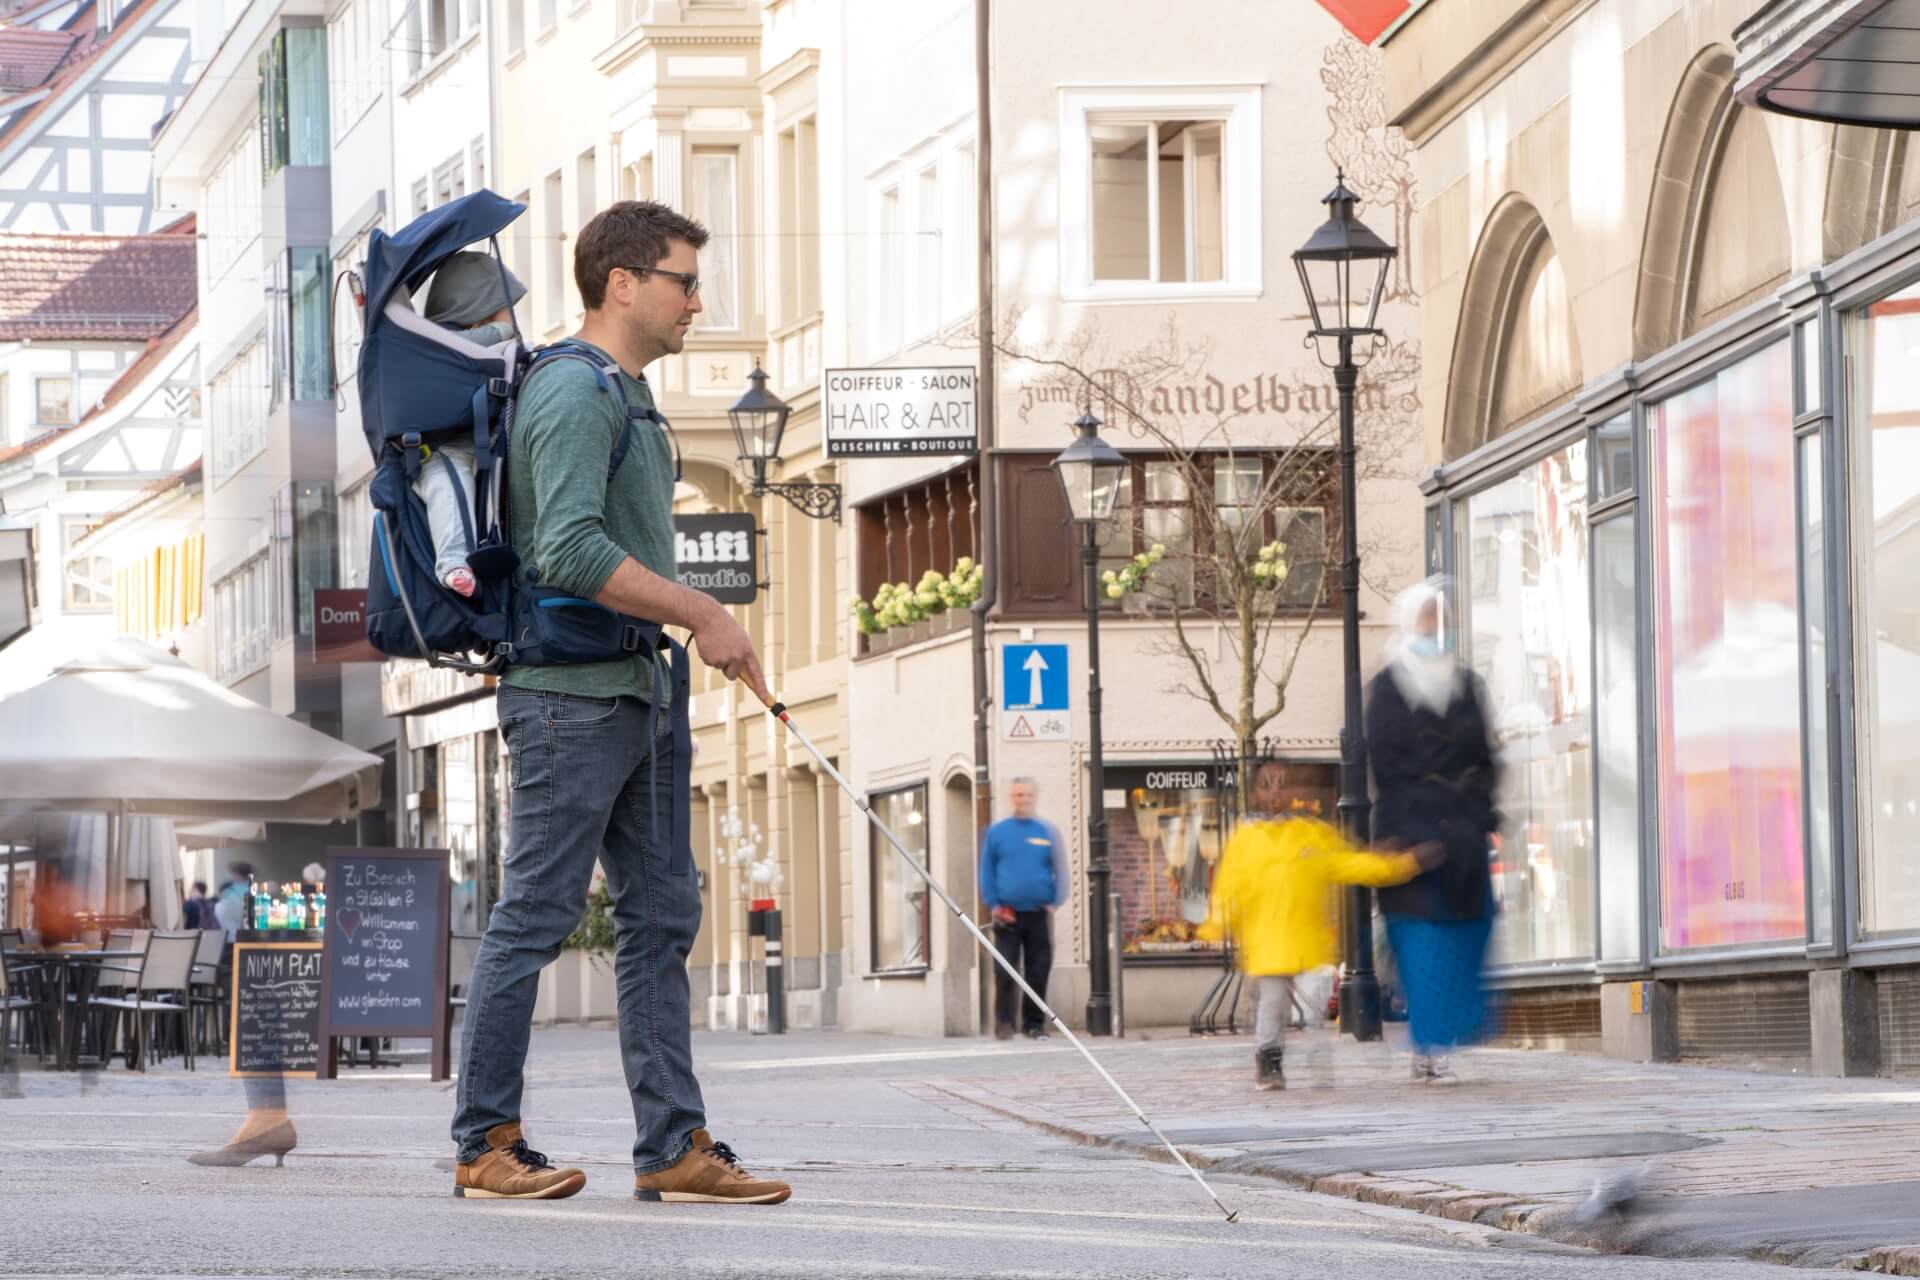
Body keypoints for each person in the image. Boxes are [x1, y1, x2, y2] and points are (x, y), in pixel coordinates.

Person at [450, 200, 787, 1206]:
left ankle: (673, 1144)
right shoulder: (572, 390)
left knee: (662, 913)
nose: (698, 299)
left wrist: (684, 633)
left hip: (640, 689)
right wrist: (703, 611)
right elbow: (568, 547)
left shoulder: (631, 397)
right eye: (685, 279)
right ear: (623, 283)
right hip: (567, 696)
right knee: (538, 913)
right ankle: (484, 1140)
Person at [1199, 763, 1435, 1090]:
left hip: (1306, 940)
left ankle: (1311, 1059)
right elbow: (1229, 886)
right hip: (1267, 942)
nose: (1275, 792)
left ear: (1295, 791)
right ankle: (1269, 1058)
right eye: (1267, 784)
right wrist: (1216, 923)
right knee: (1273, 999)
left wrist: (1403, 864)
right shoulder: (1246, 839)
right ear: (1255, 792)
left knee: (1311, 1005)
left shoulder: (1312, 834)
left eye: (1282, 784)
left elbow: (1350, 863)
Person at [1365, 579, 1501, 1085]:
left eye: (1442, 621)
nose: (1435, 630)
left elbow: (1486, 757)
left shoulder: (1467, 685)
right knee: (1421, 943)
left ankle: (1445, 1035)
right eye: (1426, 621)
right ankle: (1427, 1043)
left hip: (1462, 834)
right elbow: (1384, 761)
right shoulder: (1387, 687)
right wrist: (1403, 832)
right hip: (1412, 836)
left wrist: (1480, 809)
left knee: (1468, 933)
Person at [412, 251, 529, 598]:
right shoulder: (437, 339)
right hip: (439, 451)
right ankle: (451, 563)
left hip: (482, 447)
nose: (512, 317)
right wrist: (504, 329)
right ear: (475, 307)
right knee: (448, 489)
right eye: (503, 306)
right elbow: (466, 346)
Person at [978, 777, 1067, 1041]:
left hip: (1038, 913)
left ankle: (1034, 1024)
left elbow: (1059, 868)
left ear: (1034, 797)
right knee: (1004, 970)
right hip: (1008, 913)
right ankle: (1003, 1023)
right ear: (1011, 798)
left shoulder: (1047, 831)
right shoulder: (998, 832)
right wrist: (994, 903)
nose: (1023, 799)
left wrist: (1055, 900)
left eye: (1027, 795)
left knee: (1038, 970)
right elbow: (986, 871)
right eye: (1018, 795)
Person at [212, 861, 253, 940]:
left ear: (237, 875)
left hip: (230, 939)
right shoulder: (255, 892)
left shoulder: (228, 893)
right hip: (250, 939)